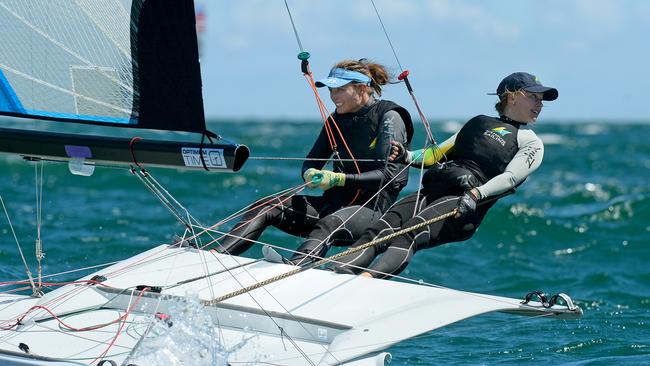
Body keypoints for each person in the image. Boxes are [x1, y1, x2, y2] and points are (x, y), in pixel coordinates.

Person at [331, 72, 557, 278]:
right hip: (436, 190)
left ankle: (365, 281)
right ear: (513, 96)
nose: (539, 104)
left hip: (464, 203)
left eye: (541, 100)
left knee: (410, 233)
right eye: (534, 97)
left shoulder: (530, 142)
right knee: (381, 227)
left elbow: (510, 178)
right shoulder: (478, 122)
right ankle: (338, 272)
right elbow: (436, 154)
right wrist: (407, 155)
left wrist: (475, 195)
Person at [216, 59, 413, 258]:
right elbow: (312, 162)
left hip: (372, 212)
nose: (333, 96)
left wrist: (338, 179)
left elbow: (391, 176)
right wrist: (309, 173)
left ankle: (294, 269)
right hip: (333, 204)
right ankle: (216, 255)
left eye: (339, 89)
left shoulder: (389, 117)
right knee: (267, 206)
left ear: (361, 88)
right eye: (330, 90)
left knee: (329, 223)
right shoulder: (335, 120)